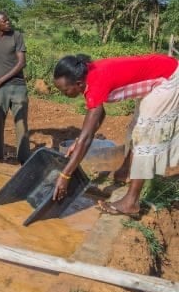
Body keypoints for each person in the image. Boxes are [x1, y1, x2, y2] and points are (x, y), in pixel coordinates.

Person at [52, 53, 179, 218]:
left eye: (64, 90)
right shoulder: (86, 77)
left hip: (168, 78)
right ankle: (126, 171)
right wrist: (78, 141)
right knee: (136, 128)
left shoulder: (95, 83)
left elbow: (88, 137)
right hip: (159, 73)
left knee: (145, 136)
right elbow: (99, 115)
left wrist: (65, 175)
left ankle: (131, 202)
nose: (63, 93)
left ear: (78, 83)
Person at [0, 11, 30, 164]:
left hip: (17, 86)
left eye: (8, 20)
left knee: (21, 123)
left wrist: (0, 80)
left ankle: (24, 158)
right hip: (0, 89)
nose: (8, 22)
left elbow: (21, 63)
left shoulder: (16, 36)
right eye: (4, 21)